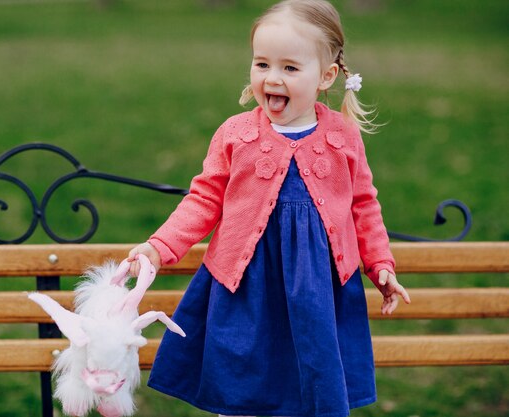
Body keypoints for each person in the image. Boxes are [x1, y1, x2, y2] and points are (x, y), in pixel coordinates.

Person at [128, 1, 411, 416]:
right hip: (246, 286)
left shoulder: (343, 136)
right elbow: (204, 198)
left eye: (290, 69)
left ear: (326, 76)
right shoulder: (236, 134)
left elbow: (363, 204)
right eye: (262, 64)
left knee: (309, 385)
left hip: (317, 288)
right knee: (242, 383)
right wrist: (159, 247)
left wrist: (380, 264)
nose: (272, 78)